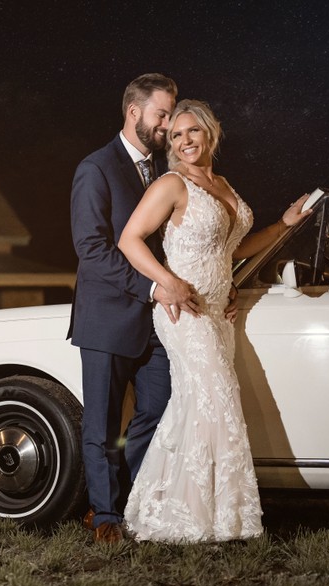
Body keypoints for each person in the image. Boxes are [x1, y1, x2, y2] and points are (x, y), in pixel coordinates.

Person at [117, 99, 312, 543]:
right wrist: (167, 282)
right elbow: (130, 239)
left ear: (211, 135)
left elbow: (234, 249)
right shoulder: (171, 184)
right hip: (183, 312)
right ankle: (198, 517)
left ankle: (197, 512)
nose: (184, 141)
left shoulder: (222, 183)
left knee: (196, 408)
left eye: (193, 132)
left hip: (219, 312)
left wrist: (284, 223)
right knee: (218, 399)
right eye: (177, 134)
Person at [69, 73, 209, 544]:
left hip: (158, 322)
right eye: (162, 115)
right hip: (109, 316)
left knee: (159, 408)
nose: (168, 125)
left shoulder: (165, 172)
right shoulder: (96, 168)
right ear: (134, 112)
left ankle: (130, 498)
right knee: (103, 425)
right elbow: (92, 249)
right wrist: (154, 289)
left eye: (172, 115)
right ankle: (105, 516)